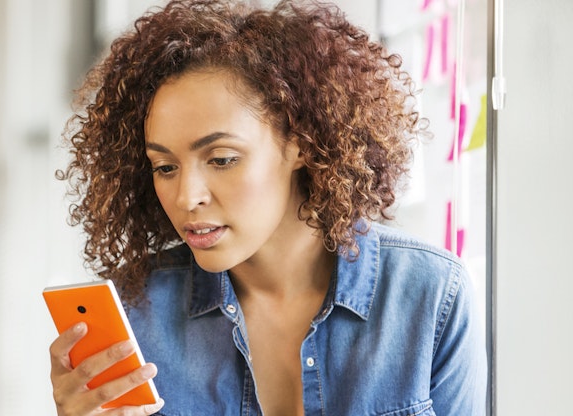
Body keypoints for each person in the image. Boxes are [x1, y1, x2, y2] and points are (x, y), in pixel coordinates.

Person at [50, 0, 487, 415]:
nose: (186, 197)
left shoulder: (430, 297)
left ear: (300, 143)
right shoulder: (137, 316)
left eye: (221, 159)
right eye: (165, 167)